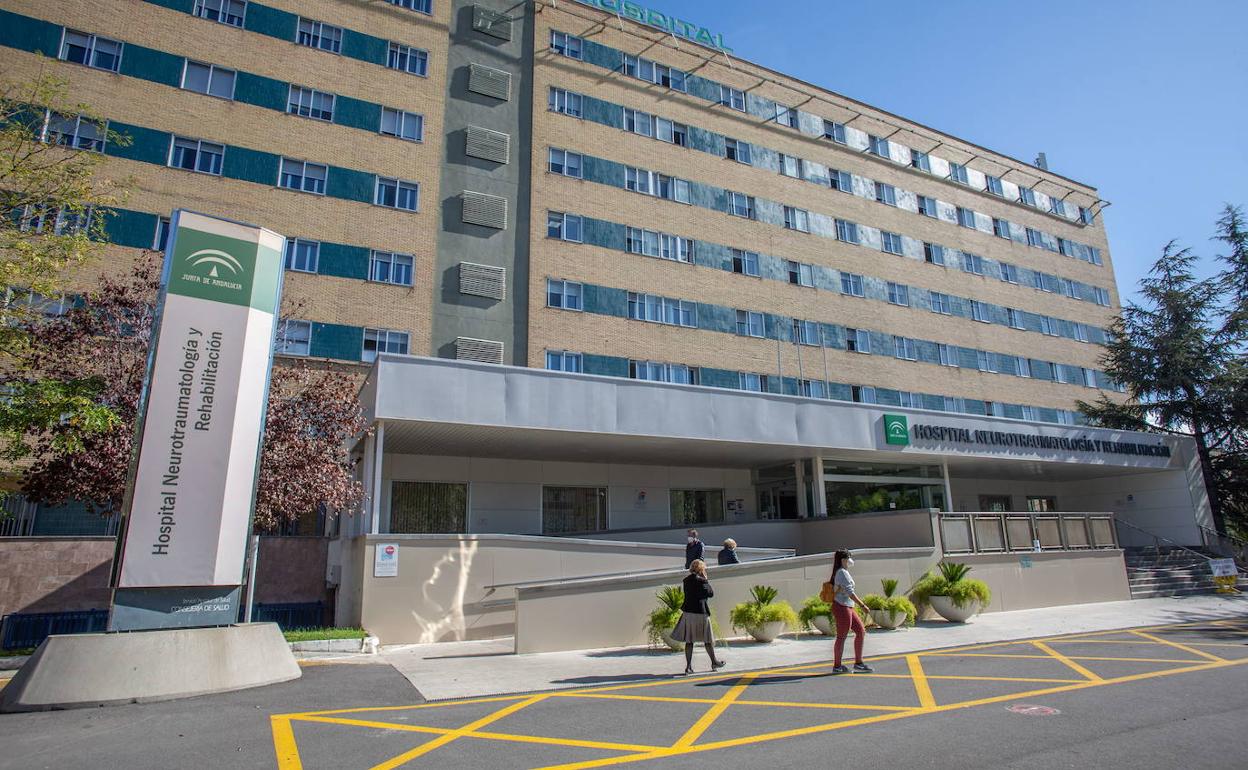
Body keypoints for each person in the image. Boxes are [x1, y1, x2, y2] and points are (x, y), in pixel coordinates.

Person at [671, 559, 727, 675]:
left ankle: (688, 667)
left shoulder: (686, 580)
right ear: (701, 569)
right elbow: (710, 594)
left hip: (688, 613)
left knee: (689, 641)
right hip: (701, 613)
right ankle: (714, 662)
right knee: (707, 640)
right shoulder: (702, 581)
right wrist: (706, 580)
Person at [829, 549, 873, 675]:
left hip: (847, 606)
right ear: (843, 560)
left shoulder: (843, 571)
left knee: (860, 631)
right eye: (848, 558)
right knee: (842, 636)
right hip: (842, 606)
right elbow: (850, 592)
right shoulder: (842, 572)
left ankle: (858, 663)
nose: (850, 561)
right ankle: (837, 666)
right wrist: (862, 605)